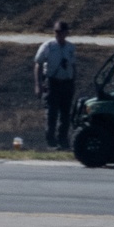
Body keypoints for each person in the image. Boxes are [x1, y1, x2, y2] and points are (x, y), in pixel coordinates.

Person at [34, 20, 76, 151]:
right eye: (56, 32)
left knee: (65, 115)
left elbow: (73, 66)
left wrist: (74, 81)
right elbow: (38, 64)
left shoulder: (70, 47)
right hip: (52, 83)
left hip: (67, 83)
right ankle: (51, 142)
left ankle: (63, 141)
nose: (58, 34)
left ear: (66, 33)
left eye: (61, 32)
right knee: (51, 114)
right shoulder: (48, 46)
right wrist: (38, 84)